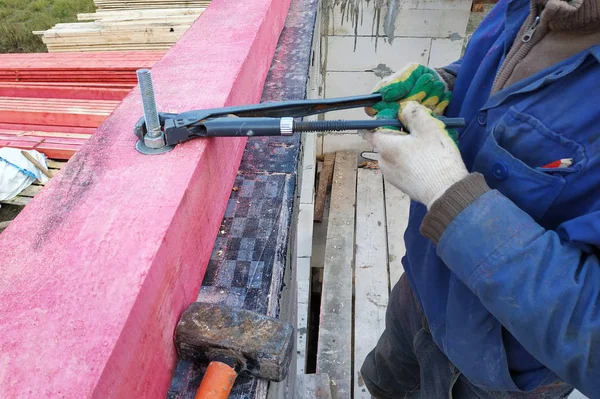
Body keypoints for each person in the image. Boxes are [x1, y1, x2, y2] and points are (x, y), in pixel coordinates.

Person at [359, 0, 600, 397]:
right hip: (419, 290)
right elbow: (514, 78)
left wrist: (447, 194)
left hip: (495, 370)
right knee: (384, 384)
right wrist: (449, 84)